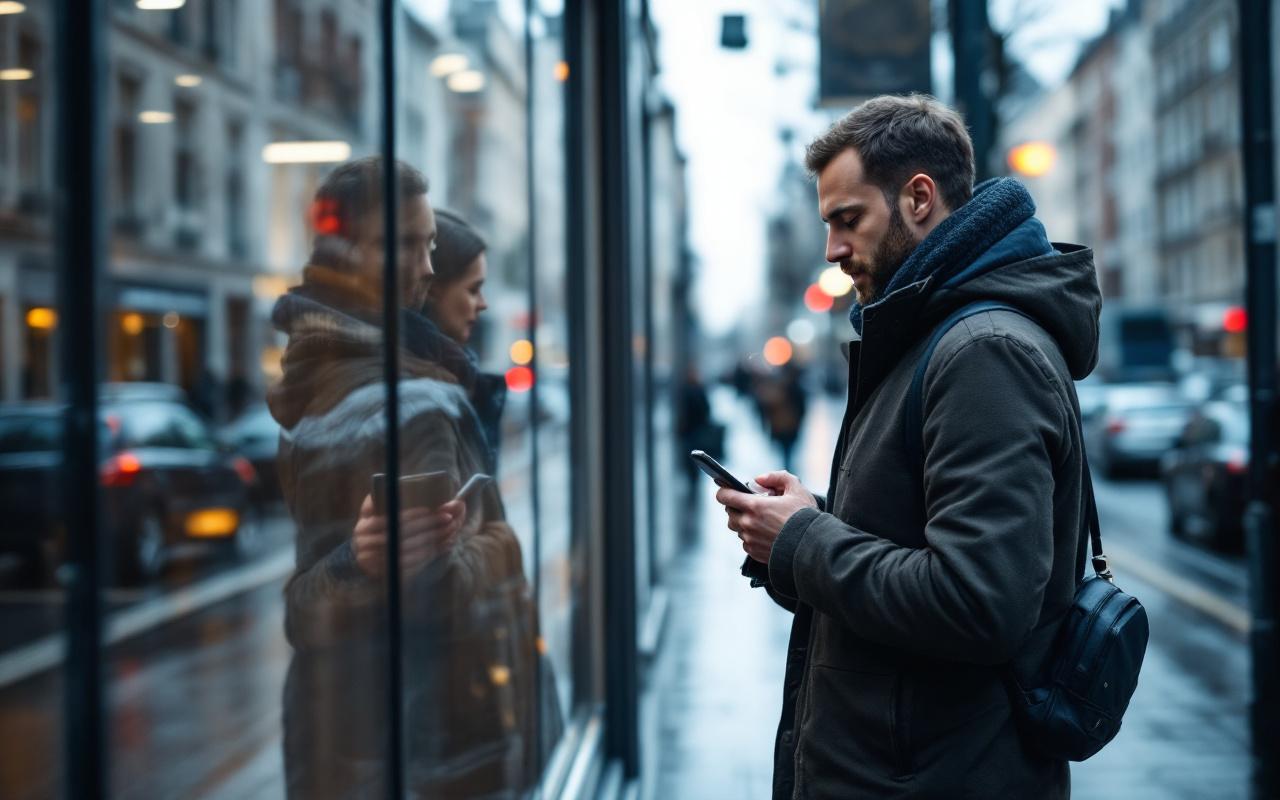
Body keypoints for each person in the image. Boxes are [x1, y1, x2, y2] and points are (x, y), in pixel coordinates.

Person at [713, 94, 1099, 798]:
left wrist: (804, 539)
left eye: (847, 220)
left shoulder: (984, 352)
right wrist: (799, 528)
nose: (832, 249)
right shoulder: (928, 335)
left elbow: (977, 602)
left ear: (919, 198)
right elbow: (912, 536)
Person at [268, 157, 548, 799]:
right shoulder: (410, 399)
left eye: (426, 245)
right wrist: (500, 546)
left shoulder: (332, 378)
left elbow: (310, 597)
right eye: (404, 245)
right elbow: (435, 590)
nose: (425, 267)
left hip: (360, 737)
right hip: (418, 744)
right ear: (345, 256)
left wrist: (355, 564)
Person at [419, 208, 506, 474]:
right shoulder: (423, 394)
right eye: (473, 290)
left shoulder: (460, 378)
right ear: (432, 288)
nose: (483, 304)